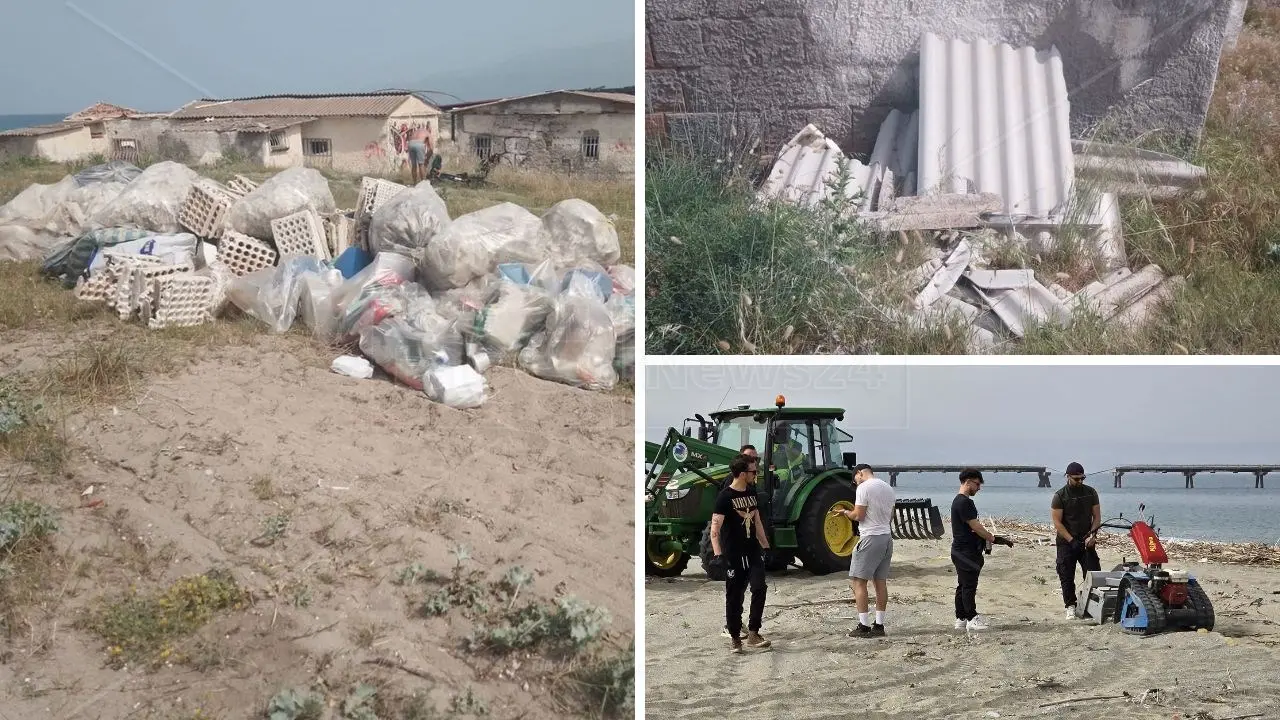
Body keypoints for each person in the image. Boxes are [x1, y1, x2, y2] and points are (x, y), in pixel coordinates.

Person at [709, 453, 772, 653]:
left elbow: (757, 521)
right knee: (734, 595)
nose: (756, 474)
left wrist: (766, 546)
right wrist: (718, 555)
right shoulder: (725, 497)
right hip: (733, 553)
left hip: (752, 550)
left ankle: (753, 632)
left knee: (759, 587)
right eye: (754, 471)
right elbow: (715, 529)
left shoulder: (752, 493)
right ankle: (735, 637)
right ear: (743, 473)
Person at [835, 463, 895, 638]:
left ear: (859, 473)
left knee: (858, 582)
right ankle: (879, 625)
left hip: (870, 538)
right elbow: (890, 515)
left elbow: (858, 515)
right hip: (886, 537)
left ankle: (863, 625)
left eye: (856, 480)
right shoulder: (887, 488)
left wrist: (846, 512)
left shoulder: (863, 488)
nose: (856, 483)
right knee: (880, 582)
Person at [1052, 461, 1102, 620]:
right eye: (1076, 479)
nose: (1080, 481)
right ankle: (1070, 606)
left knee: (1094, 573)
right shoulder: (1060, 496)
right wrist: (1071, 539)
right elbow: (1057, 523)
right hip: (1066, 541)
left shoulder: (1091, 492)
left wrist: (1092, 536)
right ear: (1068, 477)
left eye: (1082, 478)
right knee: (1066, 574)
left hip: (1086, 539)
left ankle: (1092, 605)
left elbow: (1097, 517)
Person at [951, 469, 997, 631]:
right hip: (966, 552)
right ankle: (971, 617)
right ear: (968, 482)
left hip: (960, 551)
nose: (979, 488)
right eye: (977, 484)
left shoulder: (959, 501)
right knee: (969, 585)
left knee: (962, 585)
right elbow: (975, 526)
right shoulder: (964, 502)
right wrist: (991, 537)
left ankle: (961, 618)